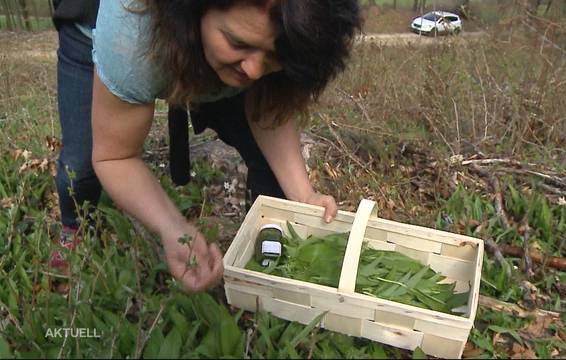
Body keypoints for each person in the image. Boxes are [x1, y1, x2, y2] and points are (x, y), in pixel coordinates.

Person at [51, 0, 362, 292]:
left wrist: (303, 194)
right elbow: (115, 156)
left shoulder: (274, 37)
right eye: (238, 43)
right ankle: (72, 228)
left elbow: (268, 103)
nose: (253, 71)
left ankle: (267, 261)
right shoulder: (131, 38)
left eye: (274, 56)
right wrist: (173, 229)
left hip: (193, 38)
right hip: (107, 29)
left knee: (274, 169)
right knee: (79, 170)